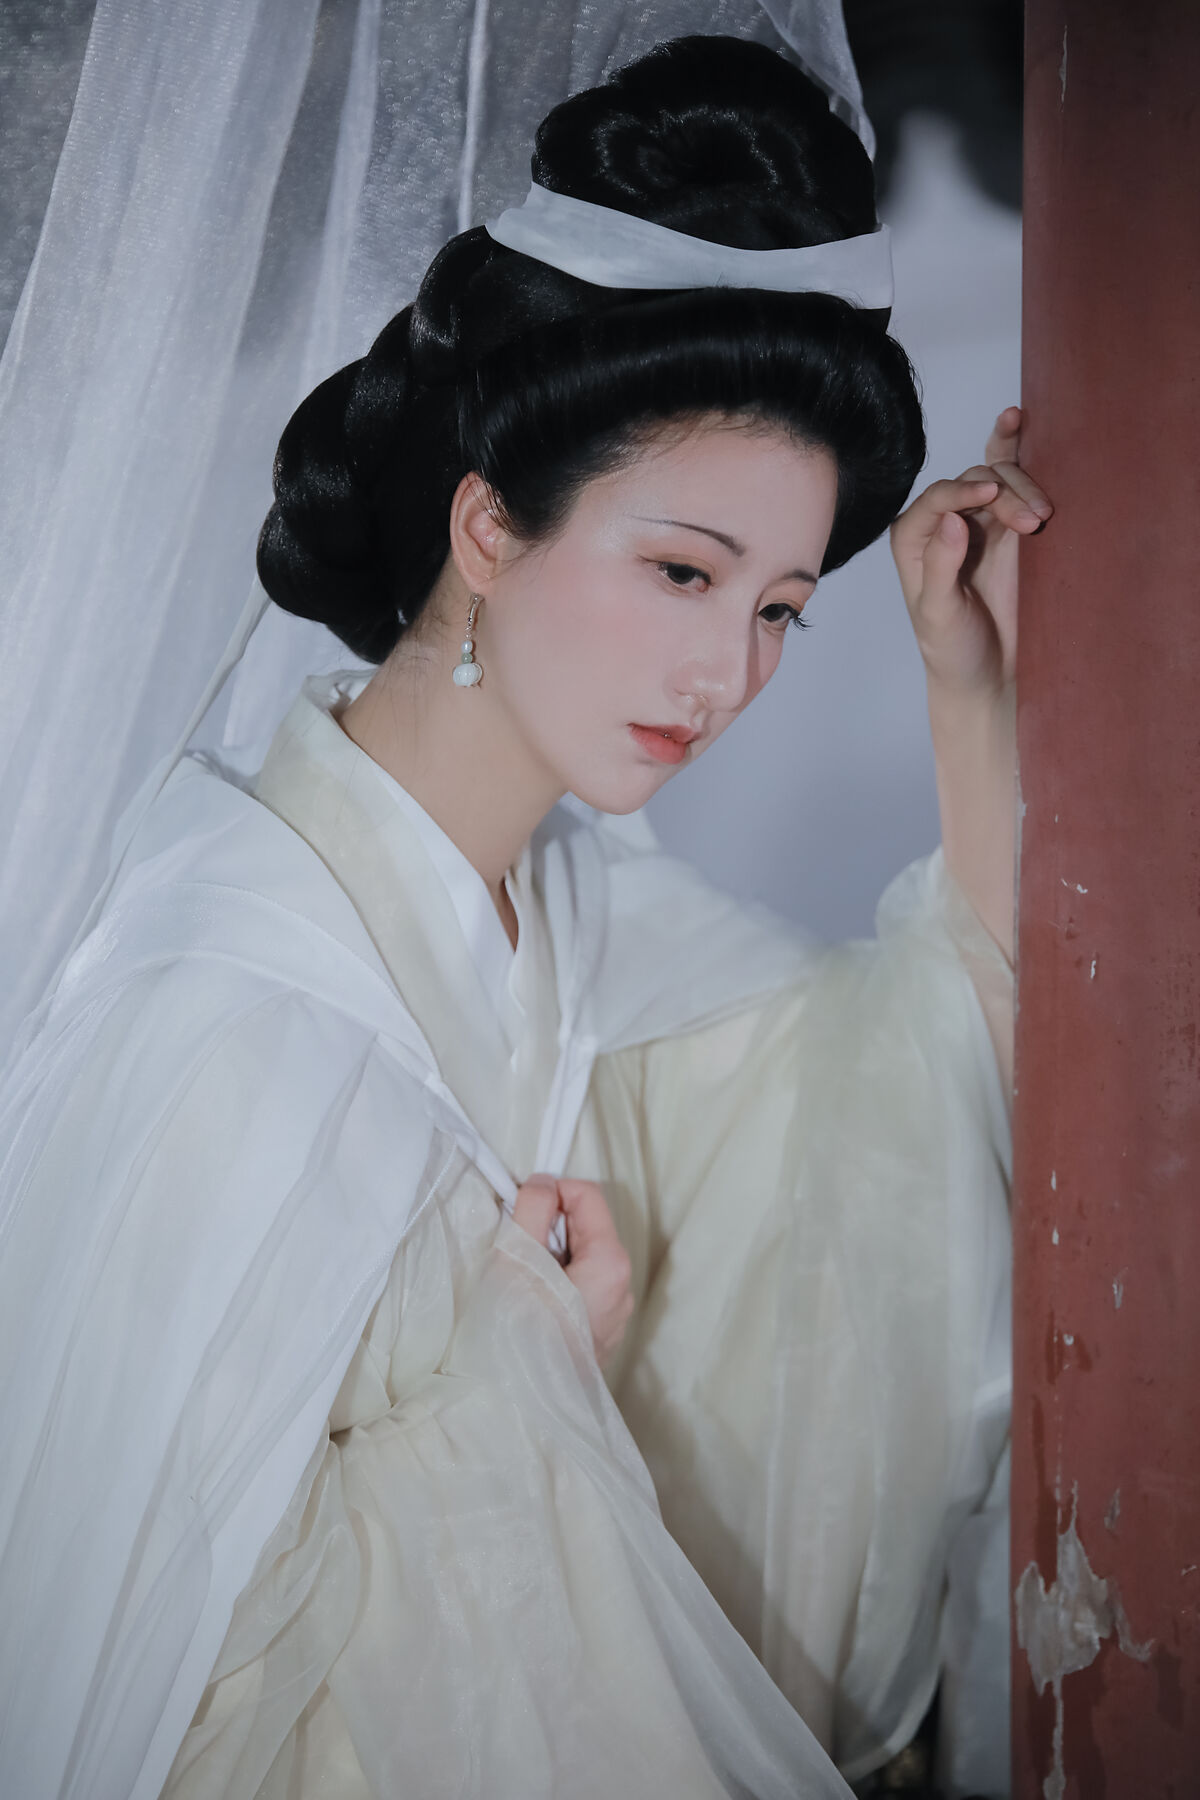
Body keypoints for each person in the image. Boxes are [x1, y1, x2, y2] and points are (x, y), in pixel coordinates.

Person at [0, 31, 1049, 1800]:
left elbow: (935, 1107)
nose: (728, 673)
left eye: (781, 608)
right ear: (488, 527)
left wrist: (971, 689)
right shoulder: (228, 1016)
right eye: (683, 571)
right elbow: (109, 1701)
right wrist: (517, 1371)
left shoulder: (595, 929)